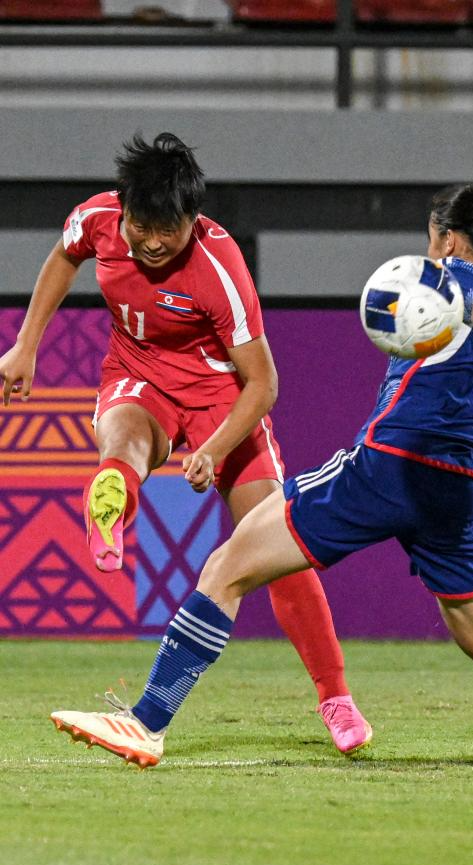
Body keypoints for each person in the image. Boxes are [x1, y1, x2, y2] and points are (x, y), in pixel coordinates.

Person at [50, 183, 473, 776]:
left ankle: (147, 722)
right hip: (457, 488)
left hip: (390, 466)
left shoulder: (455, 277)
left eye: (431, 238)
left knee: (227, 567)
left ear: (449, 239)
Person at [0, 131, 371, 755]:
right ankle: (112, 496)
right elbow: (64, 257)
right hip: (137, 372)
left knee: (274, 542)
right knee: (122, 442)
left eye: (166, 231)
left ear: (193, 221)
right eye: (140, 226)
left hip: (220, 393)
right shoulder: (98, 218)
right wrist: (25, 345)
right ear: (122, 208)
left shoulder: (219, 267)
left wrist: (215, 448)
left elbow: (263, 383)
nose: (150, 242)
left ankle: (335, 696)